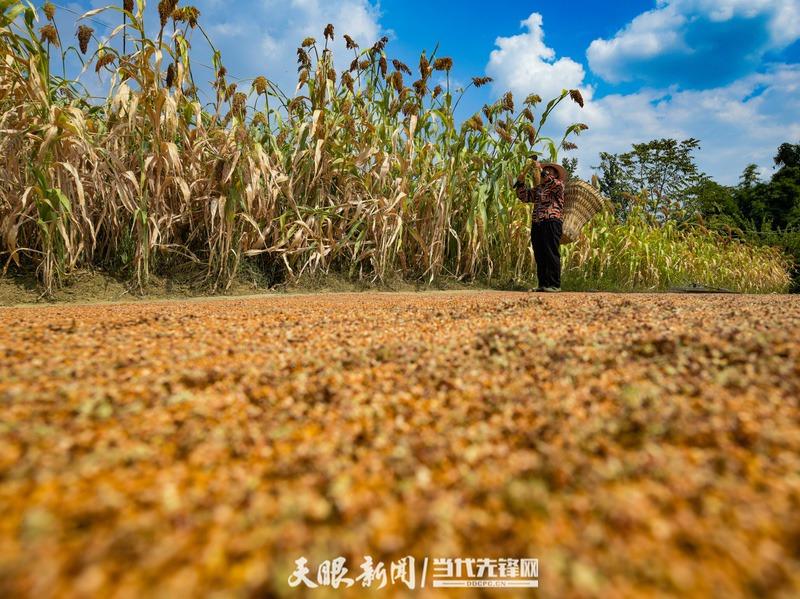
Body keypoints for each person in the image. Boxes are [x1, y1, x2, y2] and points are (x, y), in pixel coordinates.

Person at [514, 160, 567, 292]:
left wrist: (541, 171)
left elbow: (551, 182)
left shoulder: (558, 185)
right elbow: (524, 196)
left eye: (550, 171)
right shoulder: (538, 189)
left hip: (552, 221)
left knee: (551, 252)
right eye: (545, 170)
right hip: (537, 223)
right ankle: (543, 284)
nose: (546, 172)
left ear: (555, 175)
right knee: (540, 254)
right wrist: (520, 182)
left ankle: (554, 284)